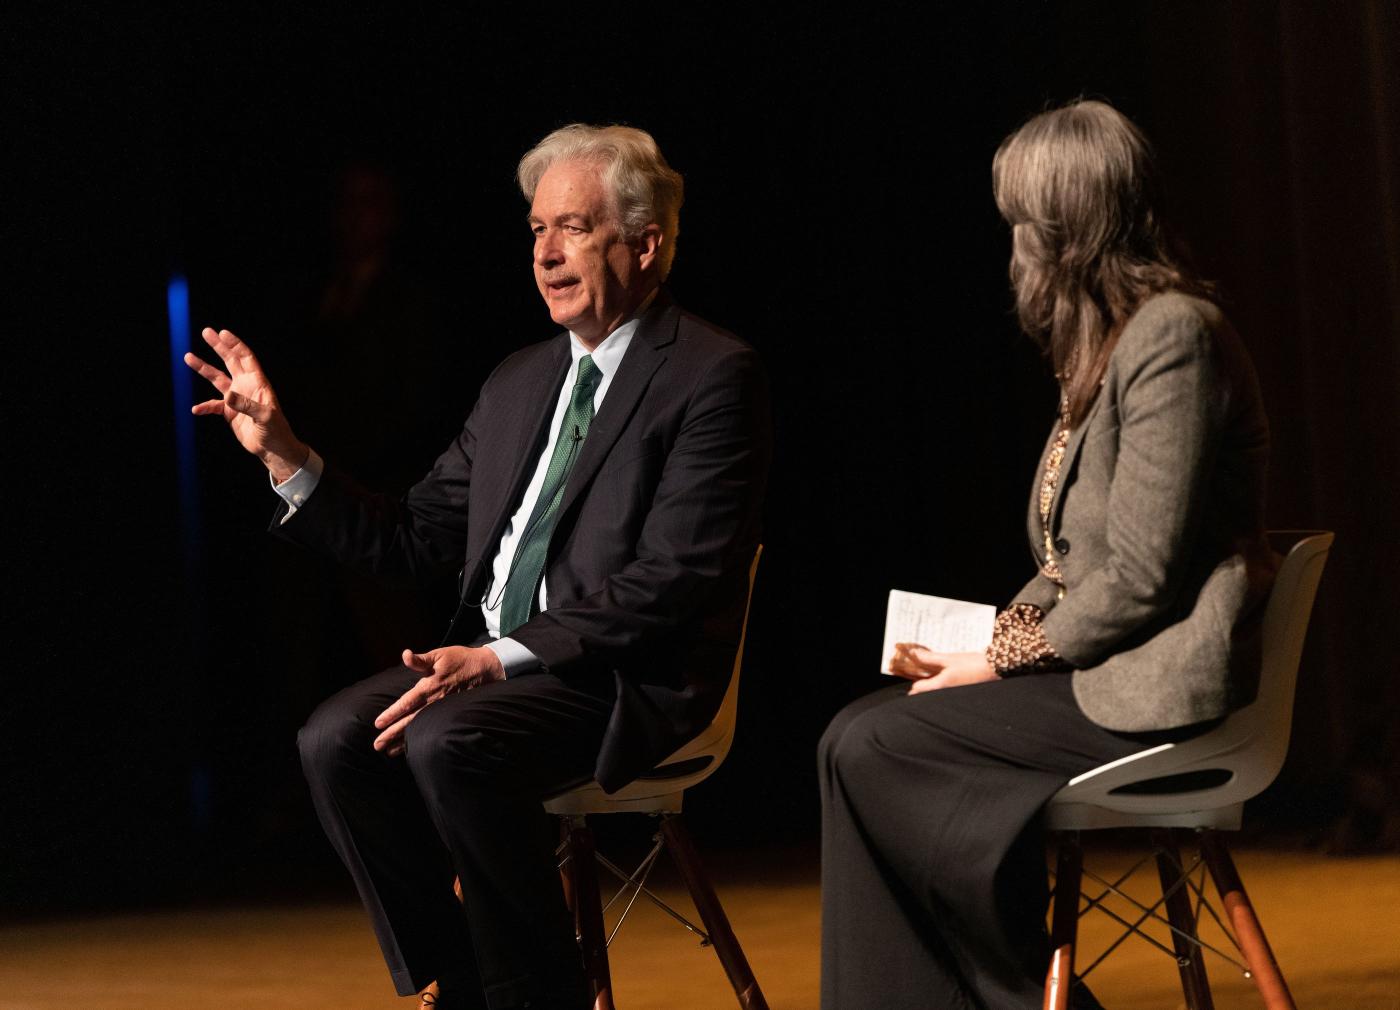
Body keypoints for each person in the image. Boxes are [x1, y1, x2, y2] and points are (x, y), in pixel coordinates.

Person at [186, 124, 771, 1010]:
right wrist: (286, 455)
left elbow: (674, 578)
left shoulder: (711, 375)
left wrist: (500, 657)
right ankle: (468, 981)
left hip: (615, 678)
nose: (544, 254)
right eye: (535, 230)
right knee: (336, 739)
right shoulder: (519, 381)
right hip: (496, 674)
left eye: (572, 227)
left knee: (448, 738)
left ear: (646, 242)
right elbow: (413, 536)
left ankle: (531, 993)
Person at [818, 99, 1274, 1010]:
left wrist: (1005, 656)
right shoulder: (1099, 350)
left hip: (1155, 683)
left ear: (1067, 230)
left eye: (1022, 223)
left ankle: (1014, 993)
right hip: (1101, 664)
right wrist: (987, 639)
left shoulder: (1171, 336)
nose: (1014, 246)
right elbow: (1073, 560)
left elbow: (1142, 575)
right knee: (850, 736)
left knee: (874, 745)